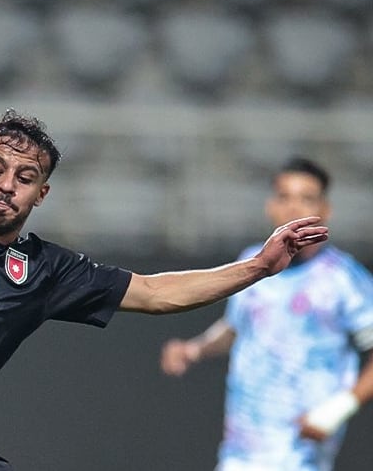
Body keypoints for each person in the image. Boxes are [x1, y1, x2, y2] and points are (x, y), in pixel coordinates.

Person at [0, 109, 328, 470]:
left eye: (24, 179)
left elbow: (155, 293)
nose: (6, 185)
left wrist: (257, 267)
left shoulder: (44, 269)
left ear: (40, 194)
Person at [160, 157, 373, 471]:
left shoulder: (342, 278)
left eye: (306, 199)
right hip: (242, 448)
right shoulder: (253, 263)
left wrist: (338, 409)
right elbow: (237, 327)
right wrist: (195, 349)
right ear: (270, 206)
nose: (293, 208)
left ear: (325, 210)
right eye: (284, 197)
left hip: (300, 451)